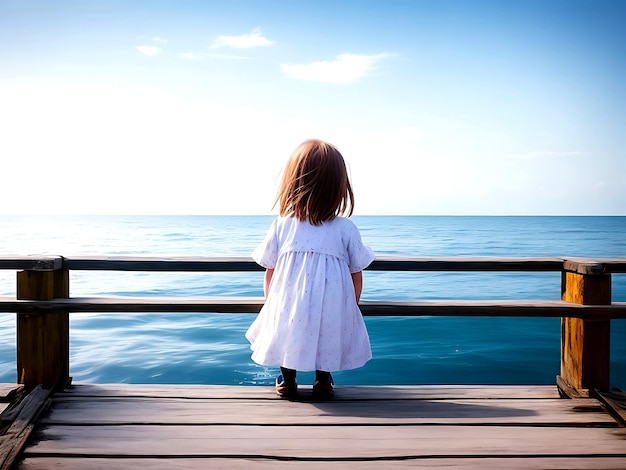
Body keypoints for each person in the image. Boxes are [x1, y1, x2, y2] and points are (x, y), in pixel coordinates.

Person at [246, 139, 374, 399]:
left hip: (288, 302)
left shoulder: (282, 225)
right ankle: (323, 380)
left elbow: (270, 269)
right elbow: (356, 272)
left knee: (286, 333)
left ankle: (287, 380)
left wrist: (271, 301)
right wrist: (352, 304)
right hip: (332, 302)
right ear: (338, 186)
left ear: (293, 182)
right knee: (327, 335)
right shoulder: (345, 228)